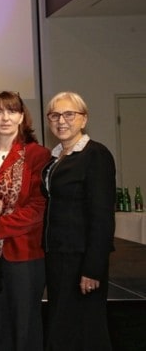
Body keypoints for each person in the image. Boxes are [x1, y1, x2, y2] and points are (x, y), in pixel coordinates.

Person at [0, 91, 50, 351]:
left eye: (12, 111)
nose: (5, 117)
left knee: (25, 327)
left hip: (24, 254)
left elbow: (39, 207)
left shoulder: (37, 154)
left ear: (21, 117)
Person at [42, 91, 115, 350]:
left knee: (86, 332)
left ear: (84, 120)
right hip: (58, 256)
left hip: (81, 260)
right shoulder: (55, 158)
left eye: (69, 114)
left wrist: (92, 268)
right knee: (63, 329)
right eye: (55, 115)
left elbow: (102, 216)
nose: (61, 121)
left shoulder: (95, 155)